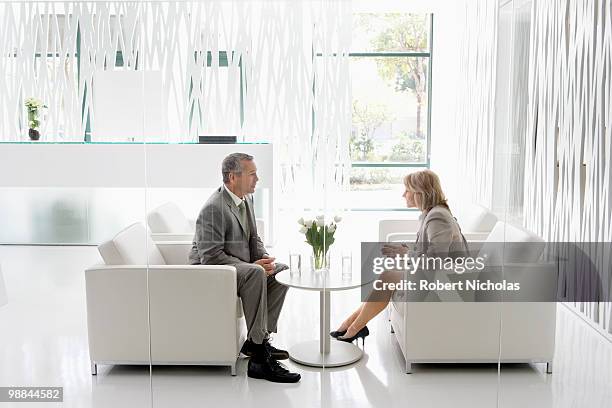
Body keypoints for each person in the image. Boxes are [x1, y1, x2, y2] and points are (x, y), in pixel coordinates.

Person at [189, 152, 300, 383]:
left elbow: (254, 238)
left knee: (280, 271)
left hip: (237, 268)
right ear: (232, 177)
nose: (257, 179)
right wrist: (252, 265)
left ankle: (256, 341)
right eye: (252, 174)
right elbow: (210, 257)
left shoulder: (245, 199)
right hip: (210, 274)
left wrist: (265, 258)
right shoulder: (213, 208)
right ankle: (259, 361)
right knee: (256, 272)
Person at [331, 169, 468, 344]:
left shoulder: (437, 217)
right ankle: (351, 325)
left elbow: (437, 260)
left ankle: (353, 328)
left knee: (387, 276)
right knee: (386, 274)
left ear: (421, 193)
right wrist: (407, 250)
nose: (404, 194)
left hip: (448, 279)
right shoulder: (432, 213)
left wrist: (407, 253)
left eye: (408, 190)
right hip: (439, 274)